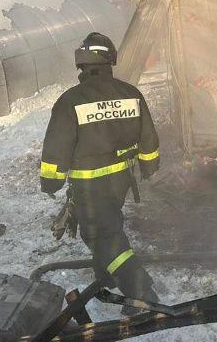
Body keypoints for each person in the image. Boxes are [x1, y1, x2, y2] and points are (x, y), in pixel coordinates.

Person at [40, 32, 160, 308]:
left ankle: (142, 292)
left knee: (99, 234)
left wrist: (51, 181)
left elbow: (57, 146)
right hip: (121, 180)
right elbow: (149, 137)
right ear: (109, 60)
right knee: (108, 224)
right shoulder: (131, 93)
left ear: (82, 61)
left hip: (90, 183)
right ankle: (105, 276)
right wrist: (148, 164)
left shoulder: (71, 100)